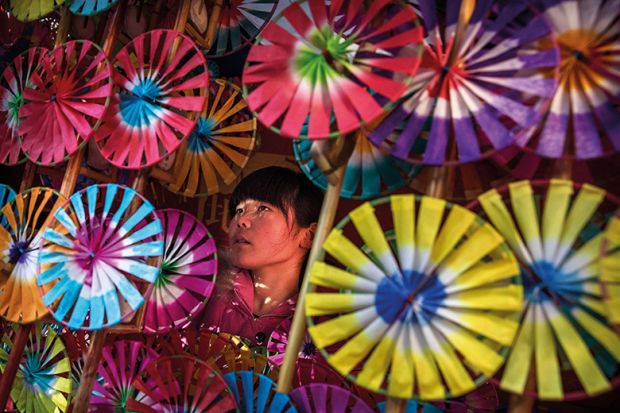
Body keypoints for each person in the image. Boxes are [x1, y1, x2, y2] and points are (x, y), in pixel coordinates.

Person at [197, 166, 323, 345]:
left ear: (308, 236)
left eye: (263, 208)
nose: (241, 220)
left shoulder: (323, 322)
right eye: (239, 210)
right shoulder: (201, 288)